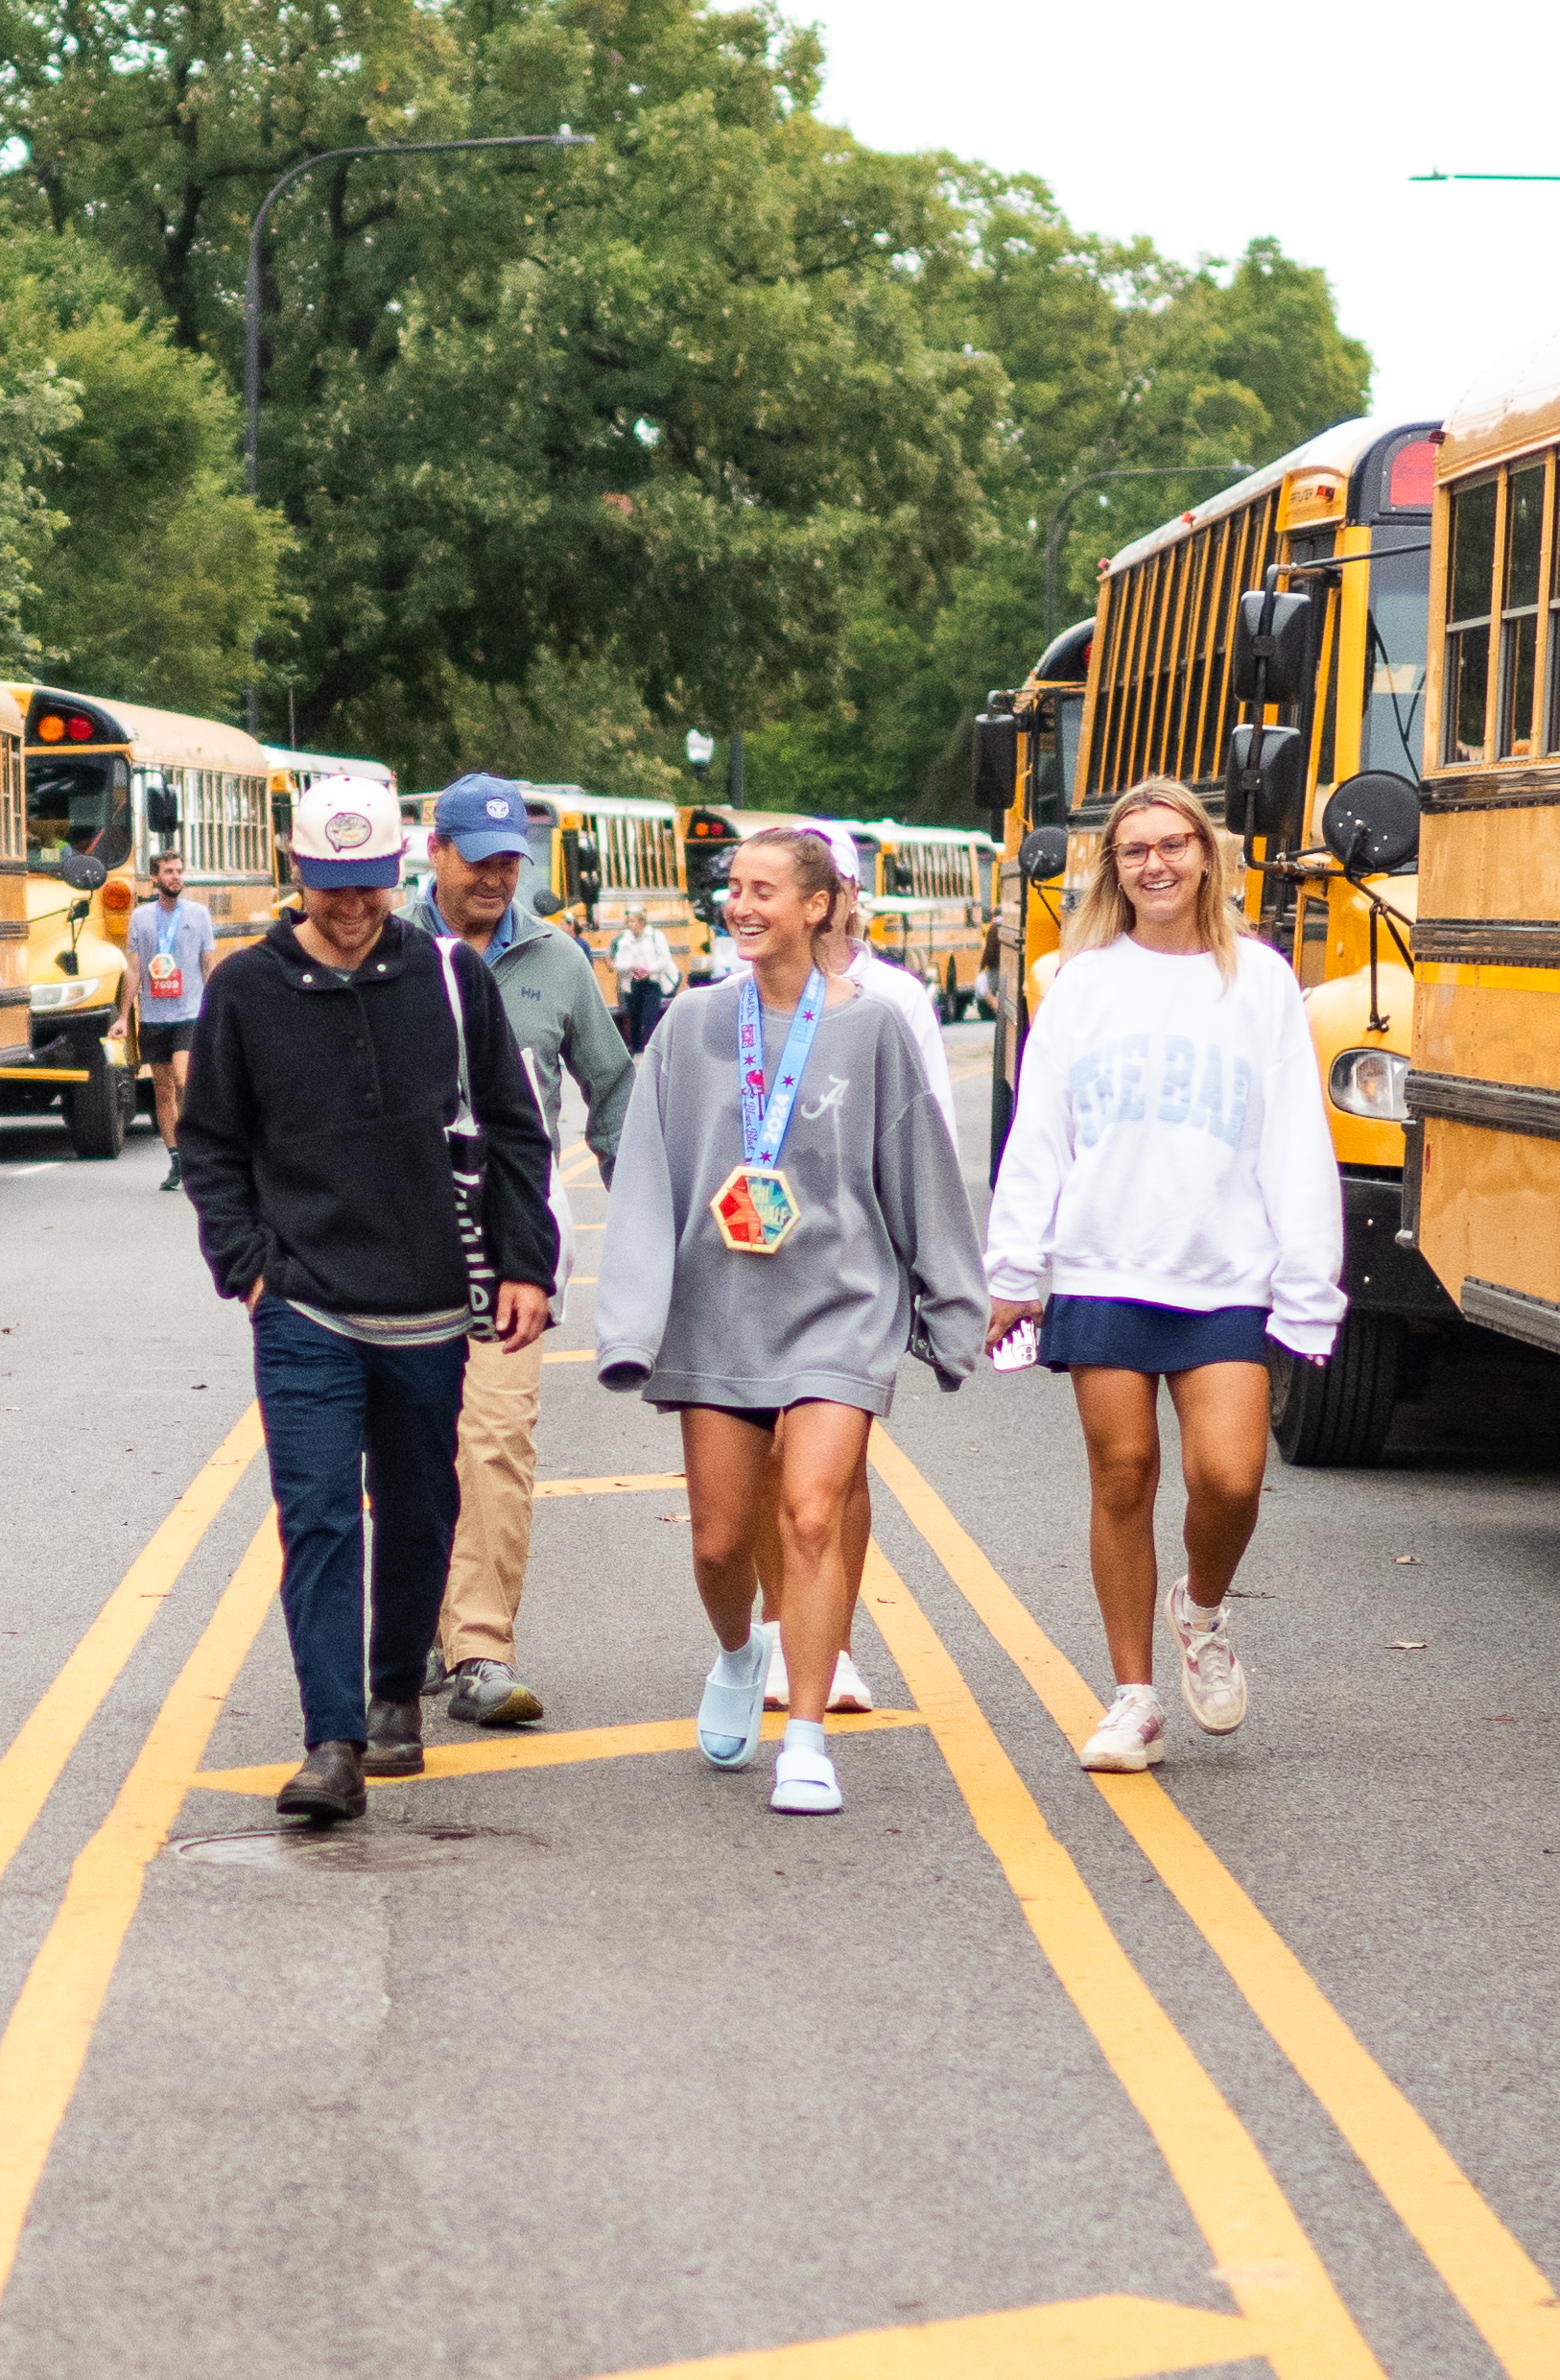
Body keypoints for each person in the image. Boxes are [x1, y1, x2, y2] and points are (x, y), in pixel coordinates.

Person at [178, 765, 562, 1829]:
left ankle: (398, 1690)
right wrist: (248, 1262)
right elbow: (209, 1142)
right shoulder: (247, 989)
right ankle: (333, 1740)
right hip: (305, 1306)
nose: (350, 908)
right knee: (315, 1519)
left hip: (431, 1304)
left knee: (420, 1511)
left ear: (396, 874)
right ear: (295, 875)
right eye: (329, 886)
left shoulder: (448, 977)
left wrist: (524, 1263)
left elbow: (515, 1126)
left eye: (368, 885)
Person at [583, 813, 982, 1818]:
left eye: (767, 889)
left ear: (819, 905)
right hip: (719, 1311)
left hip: (840, 1310)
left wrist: (951, 1310)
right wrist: (633, 1322)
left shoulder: (873, 1025)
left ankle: (804, 1736)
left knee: (811, 1509)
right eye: (735, 888)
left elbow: (919, 1176)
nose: (743, 905)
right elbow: (647, 1182)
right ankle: (737, 1650)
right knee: (721, 1541)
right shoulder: (688, 1026)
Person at [980, 773, 1351, 1766]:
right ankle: (1134, 1694)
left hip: (1224, 1268)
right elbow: (1039, 1131)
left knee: (1227, 1477)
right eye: (1135, 848)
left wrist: (1309, 1280)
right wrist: (1015, 1264)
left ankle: (1206, 1606)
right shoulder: (1079, 981)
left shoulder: (1261, 981)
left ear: (1207, 856)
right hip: (1103, 1261)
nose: (1156, 862)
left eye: (1173, 844)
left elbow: (1295, 1139)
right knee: (1124, 1475)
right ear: (1115, 866)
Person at [417, 773, 627, 1731]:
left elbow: (613, 1096)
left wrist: (654, 1230)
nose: (500, 877)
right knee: (408, 1445)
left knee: (495, 1435)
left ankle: (481, 1648)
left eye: (512, 860)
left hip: (513, 1238)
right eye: (481, 857)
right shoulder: (384, 948)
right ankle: (415, 1625)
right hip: (392, 1240)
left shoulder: (557, 961)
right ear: (436, 849)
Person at [127, 845, 216, 1175]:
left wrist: (215, 1007)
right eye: (169, 871)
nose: (175, 877)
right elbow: (134, 969)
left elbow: (208, 965)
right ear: (155, 877)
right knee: (163, 1090)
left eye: (179, 871)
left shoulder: (198, 915)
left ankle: (200, 1144)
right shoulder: (140, 917)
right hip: (153, 1016)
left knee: (184, 1078)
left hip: (189, 1013)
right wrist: (123, 1016)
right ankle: (177, 1159)